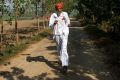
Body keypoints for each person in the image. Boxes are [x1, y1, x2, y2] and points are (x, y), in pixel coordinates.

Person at [49, 2, 70, 74]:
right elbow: (50, 25)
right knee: (59, 49)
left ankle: (65, 65)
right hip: (57, 34)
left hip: (64, 34)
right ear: (56, 9)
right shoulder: (53, 15)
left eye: (61, 8)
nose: (59, 10)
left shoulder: (65, 14)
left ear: (62, 8)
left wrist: (66, 27)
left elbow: (68, 22)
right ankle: (62, 60)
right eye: (58, 8)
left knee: (64, 48)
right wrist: (54, 22)